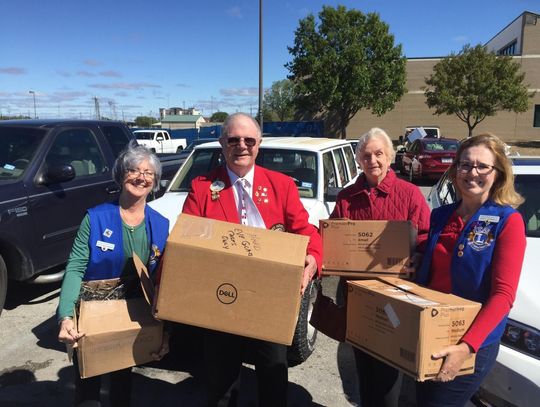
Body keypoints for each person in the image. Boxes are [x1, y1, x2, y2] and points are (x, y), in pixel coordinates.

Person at [182, 112, 323, 407]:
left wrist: (313, 258)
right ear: (222, 143)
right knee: (221, 384)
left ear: (259, 144)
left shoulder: (281, 185)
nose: (241, 146)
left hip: (269, 300)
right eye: (234, 140)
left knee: (273, 380)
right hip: (222, 298)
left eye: (249, 140)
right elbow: (186, 238)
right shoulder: (202, 187)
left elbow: (304, 230)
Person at [415, 133, 526, 407]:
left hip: (471, 339)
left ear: (497, 173)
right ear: (455, 171)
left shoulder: (507, 222)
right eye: (465, 165)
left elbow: (503, 295)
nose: (472, 172)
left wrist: (467, 347)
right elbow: (434, 270)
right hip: (432, 327)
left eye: (481, 166)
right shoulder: (441, 215)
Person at [57, 141, 170, 406]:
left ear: (155, 182)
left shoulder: (161, 225)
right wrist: (64, 316)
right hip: (93, 312)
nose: (140, 177)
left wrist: (166, 331)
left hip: (134, 313)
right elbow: (75, 267)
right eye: (133, 170)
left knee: (122, 382)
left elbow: (164, 280)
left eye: (148, 173)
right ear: (121, 174)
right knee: (87, 385)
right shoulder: (95, 218)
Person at [330, 127, 431, 407]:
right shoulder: (346, 197)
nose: (372, 160)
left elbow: (424, 237)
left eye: (379, 154)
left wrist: (419, 256)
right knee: (363, 368)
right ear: (358, 160)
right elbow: (333, 237)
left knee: (388, 375)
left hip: (395, 296)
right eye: (366, 155)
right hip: (357, 294)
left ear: (390, 157)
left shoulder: (410, 195)